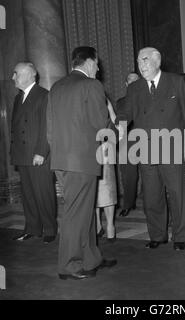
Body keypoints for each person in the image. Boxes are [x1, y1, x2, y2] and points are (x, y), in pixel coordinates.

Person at [116, 47, 185, 251]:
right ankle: (157, 235)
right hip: (146, 150)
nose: (141, 65)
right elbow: (125, 114)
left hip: (173, 148)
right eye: (138, 61)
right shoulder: (135, 88)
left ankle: (179, 237)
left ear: (157, 61)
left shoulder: (175, 81)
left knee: (177, 194)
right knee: (152, 196)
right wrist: (117, 125)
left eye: (145, 60)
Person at [47, 46, 117, 280]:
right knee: (75, 214)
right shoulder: (91, 85)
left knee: (83, 211)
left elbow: (49, 128)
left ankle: (91, 258)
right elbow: (100, 122)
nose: (98, 68)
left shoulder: (57, 86)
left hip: (61, 159)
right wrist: (117, 131)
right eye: (97, 63)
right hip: (82, 159)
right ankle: (68, 265)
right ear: (89, 62)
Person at [10, 62, 57, 244]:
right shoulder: (17, 98)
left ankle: (50, 229)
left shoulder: (44, 95)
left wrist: (41, 152)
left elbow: (48, 127)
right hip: (22, 154)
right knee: (28, 195)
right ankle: (32, 228)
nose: (13, 77)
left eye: (16, 73)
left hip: (38, 154)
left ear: (30, 75)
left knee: (43, 193)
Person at [117, 72, 140, 217]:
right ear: (126, 84)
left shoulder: (148, 99)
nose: (132, 84)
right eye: (129, 81)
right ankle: (128, 204)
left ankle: (152, 204)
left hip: (147, 141)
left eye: (135, 81)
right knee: (128, 176)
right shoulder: (120, 102)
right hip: (127, 143)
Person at [95, 99, 117, 242]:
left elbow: (118, 126)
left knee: (107, 191)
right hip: (87, 153)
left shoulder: (106, 107)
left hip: (106, 154)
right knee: (93, 192)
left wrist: (109, 107)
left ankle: (110, 225)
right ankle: (97, 224)